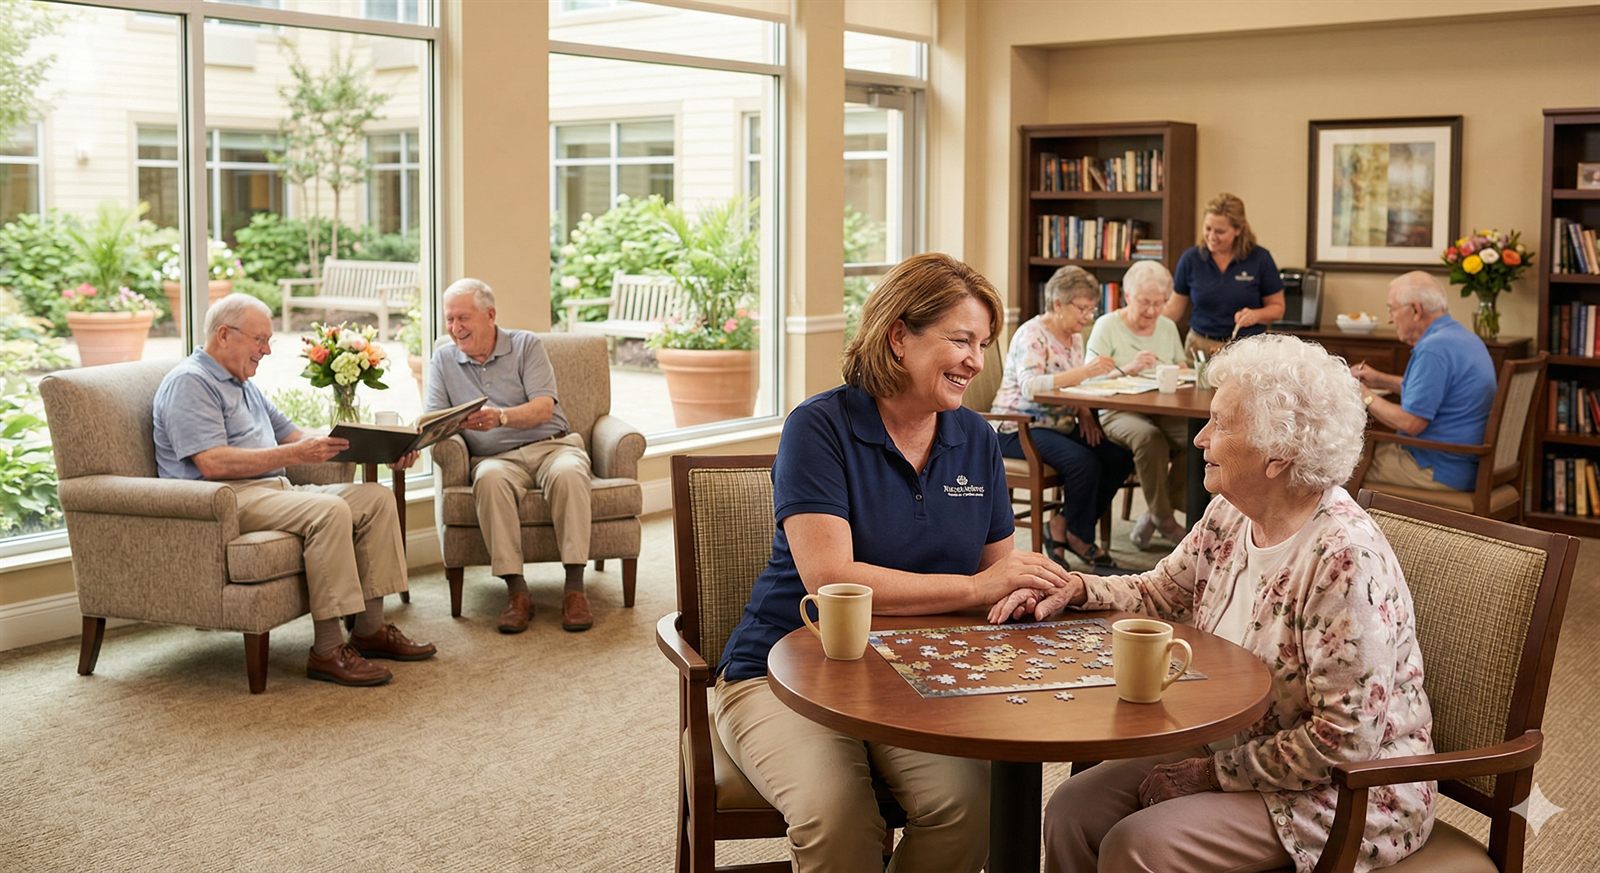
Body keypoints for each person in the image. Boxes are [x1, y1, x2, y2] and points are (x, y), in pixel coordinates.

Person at [989, 334, 1435, 873]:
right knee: (1072, 808)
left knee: (1138, 844)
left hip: (1345, 793)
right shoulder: (1232, 512)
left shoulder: (1343, 559)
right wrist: (1079, 588)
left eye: (1220, 424)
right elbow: (1160, 592)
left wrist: (1211, 774)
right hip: (1231, 743)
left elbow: (1344, 741)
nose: (1201, 438)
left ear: (1280, 452)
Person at [715, 252, 1073, 872]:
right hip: (787, 670)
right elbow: (831, 580)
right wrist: (977, 586)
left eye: (984, 343)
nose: (976, 361)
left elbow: (996, 585)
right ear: (897, 338)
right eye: (960, 340)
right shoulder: (818, 426)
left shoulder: (979, 441)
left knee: (975, 806)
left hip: (922, 674)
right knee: (839, 816)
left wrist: (1027, 591)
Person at [152, 294, 435, 687]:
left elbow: (301, 438)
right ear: (223, 335)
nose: (266, 350)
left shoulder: (243, 385)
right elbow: (212, 462)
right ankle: (328, 650)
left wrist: (387, 446)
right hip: (223, 500)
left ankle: (369, 630)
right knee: (329, 511)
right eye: (260, 340)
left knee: (375, 499)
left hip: (272, 491)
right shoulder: (191, 383)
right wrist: (295, 452)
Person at [427, 277, 597, 634]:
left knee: (569, 474)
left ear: (489, 315)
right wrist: (414, 442)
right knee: (487, 480)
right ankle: (517, 593)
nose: (455, 328)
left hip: (552, 445)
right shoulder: (443, 359)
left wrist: (500, 417)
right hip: (497, 460)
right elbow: (434, 418)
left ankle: (575, 590)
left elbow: (543, 407)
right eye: (450, 319)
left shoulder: (525, 345)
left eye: (463, 318)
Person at [990, 265, 1135, 571]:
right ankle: (1079, 536)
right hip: (1018, 426)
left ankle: (1061, 524)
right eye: (1082, 308)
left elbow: (1074, 384)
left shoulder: (1075, 337)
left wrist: (1084, 412)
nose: (1088, 317)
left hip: (1060, 423)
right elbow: (1030, 387)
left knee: (1118, 457)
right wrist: (1086, 371)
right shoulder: (1032, 334)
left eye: (1092, 309)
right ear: (1058, 304)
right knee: (1084, 463)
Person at [1351, 271, 1497, 492]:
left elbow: (1411, 423)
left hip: (1436, 468)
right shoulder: (1461, 337)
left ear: (1416, 310)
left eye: (1392, 308)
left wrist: (1360, 392)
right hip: (1464, 462)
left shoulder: (1434, 349)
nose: (1390, 318)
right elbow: (1433, 392)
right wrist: (1380, 379)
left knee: (1334, 467)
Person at [1086, 260, 1189, 549]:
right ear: (1127, 296)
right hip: (1117, 409)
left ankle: (1156, 512)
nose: (1153, 311)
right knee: (1149, 439)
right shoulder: (1107, 325)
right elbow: (1087, 377)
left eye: (1160, 303)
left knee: (1198, 439)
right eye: (1145, 302)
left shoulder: (1167, 326)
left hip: (1163, 408)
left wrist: (1177, 371)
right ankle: (1165, 520)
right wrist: (1128, 368)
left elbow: (1181, 366)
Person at [1163, 192, 1285, 358]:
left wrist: (1255, 315)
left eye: (1220, 231)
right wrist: (1139, 318)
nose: (1212, 237)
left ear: (1238, 230)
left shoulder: (1260, 259)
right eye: (1208, 229)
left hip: (1247, 349)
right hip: (1199, 349)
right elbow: (1173, 310)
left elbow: (1278, 309)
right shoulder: (1191, 259)